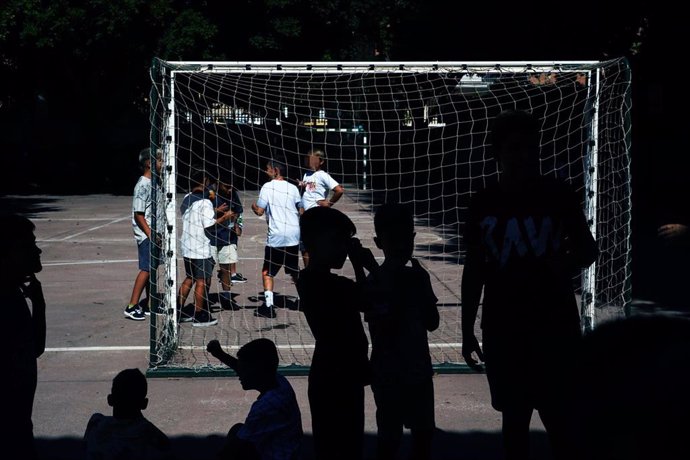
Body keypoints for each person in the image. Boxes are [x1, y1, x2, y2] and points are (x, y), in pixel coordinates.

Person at [461, 110, 598, 460]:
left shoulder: (558, 195)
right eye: (514, 149)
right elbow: (474, 268)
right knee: (515, 418)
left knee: (560, 418)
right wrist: (466, 329)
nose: (523, 157)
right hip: (504, 325)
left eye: (530, 149)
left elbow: (588, 249)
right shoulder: (483, 201)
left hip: (554, 324)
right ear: (499, 154)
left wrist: (561, 262)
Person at [296, 206, 374, 460]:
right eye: (339, 241)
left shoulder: (310, 280)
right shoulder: (323, 283)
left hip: (335, 372)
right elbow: (367, 300)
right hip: (337, 374)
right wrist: (364, 265)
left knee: (337, 445)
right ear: (321, 242)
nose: (344, 248)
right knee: (343, 447)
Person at [365, 203, 440, 460]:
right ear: (379, 242)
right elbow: (382, 325)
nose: (400, 245)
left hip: (411, 370)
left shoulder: (415, 278)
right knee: (393, 437)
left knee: (418, 436)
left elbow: (432, 322)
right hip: (393, 372)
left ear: (413, 238)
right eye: (393, 238)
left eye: (405, 238)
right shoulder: (377, 280)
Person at [206, 338, 303, 460]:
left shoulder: (265, 407)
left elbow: (234, 448)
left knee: (236, 441)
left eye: (244, 370)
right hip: (290, 449)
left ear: (257, 372)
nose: (239, 374)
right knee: (237, 430)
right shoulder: (280, 382)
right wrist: (220, 354)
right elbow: (242, 368)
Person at [1, 215, 46, 459]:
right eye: (28, 245)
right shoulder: (5, 300)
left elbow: (35, 348)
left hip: (19, 421)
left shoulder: (14, 293)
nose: (37, 250)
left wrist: (39, 304)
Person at [177, 170, 234, 326]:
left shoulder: (188, 198)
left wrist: (215, 211)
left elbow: (195, 214)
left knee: (190, 278)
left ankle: (178, 311)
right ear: (204, 181)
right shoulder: (205, 202)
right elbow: (209, 224)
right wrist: (225, 217)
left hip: (187, 246)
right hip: (200, 247)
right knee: (202, 280)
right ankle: (199, 314)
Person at [251, 158, 303, 319]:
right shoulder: (293, 188)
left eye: (267, 168)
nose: (265, 171)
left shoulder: (267, 187)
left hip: (277, 236)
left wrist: (253, 206)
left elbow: (260, 211)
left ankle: (268, 306)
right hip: (294, 234)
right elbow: (301, 210)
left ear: (276, 170)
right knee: (294, 270)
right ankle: (305, 300)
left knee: (268, 271)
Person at [83, 368, 173, 460]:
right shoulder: (152, 438)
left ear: (110, 400)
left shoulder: (95, 424)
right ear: (144, 404)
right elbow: (166, 446)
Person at [125, 147, 162, 321]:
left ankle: (149, 304)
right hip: (147, 236)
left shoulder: (155, 183)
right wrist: (151, 234)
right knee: (146, 269)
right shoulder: (143, 185)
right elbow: (138, 215)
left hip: (155, 234)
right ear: (149, 163)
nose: (163, 164)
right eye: (160, 160)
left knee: (152, 269)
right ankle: (132, 305)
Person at [298, 148, 344, 267]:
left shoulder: (323, 175)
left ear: (321, 161)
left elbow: (339, 190)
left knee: (317, 246)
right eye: (307, 159)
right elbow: (310, 192)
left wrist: (329, 203)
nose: (309, 162)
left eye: (312, 159)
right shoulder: (306, 174)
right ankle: (309, 272)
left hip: (317, 217)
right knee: (304, 247)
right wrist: (302, 186)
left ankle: (319, 271)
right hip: (305, 216)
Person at [208, 177, 244, 310]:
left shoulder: (233, 194)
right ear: (218, 183)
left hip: (228, 237)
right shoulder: (209, 195)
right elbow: (201, 216)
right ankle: (204, 298)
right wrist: (217, 212)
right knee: (207, 271)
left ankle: (226, 297)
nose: (229, 190)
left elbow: (239, 212)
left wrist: (238, 225)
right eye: (226, 186)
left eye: (231, 187)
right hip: (210, 238)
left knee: (226, 270)